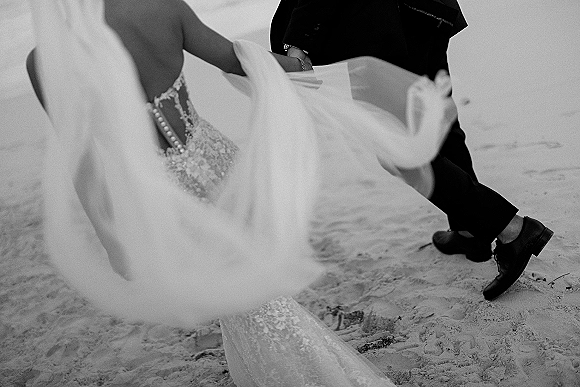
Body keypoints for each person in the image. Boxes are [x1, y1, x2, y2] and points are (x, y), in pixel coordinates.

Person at [27, 0, 463, 384]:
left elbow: (81, 160)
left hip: (157, 193)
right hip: (213, 158)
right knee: (248, 292)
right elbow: (237, 60)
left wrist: (111, 240)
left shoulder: (46, 60)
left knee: (245, 300)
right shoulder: (160, 7)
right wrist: (294, 63)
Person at [270, 0, 554, 302]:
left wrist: (299, 41)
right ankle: (470, 231)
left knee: (396, 147)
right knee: (437, 124)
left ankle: (512, 229)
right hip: (428, 8)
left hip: (380, 17)